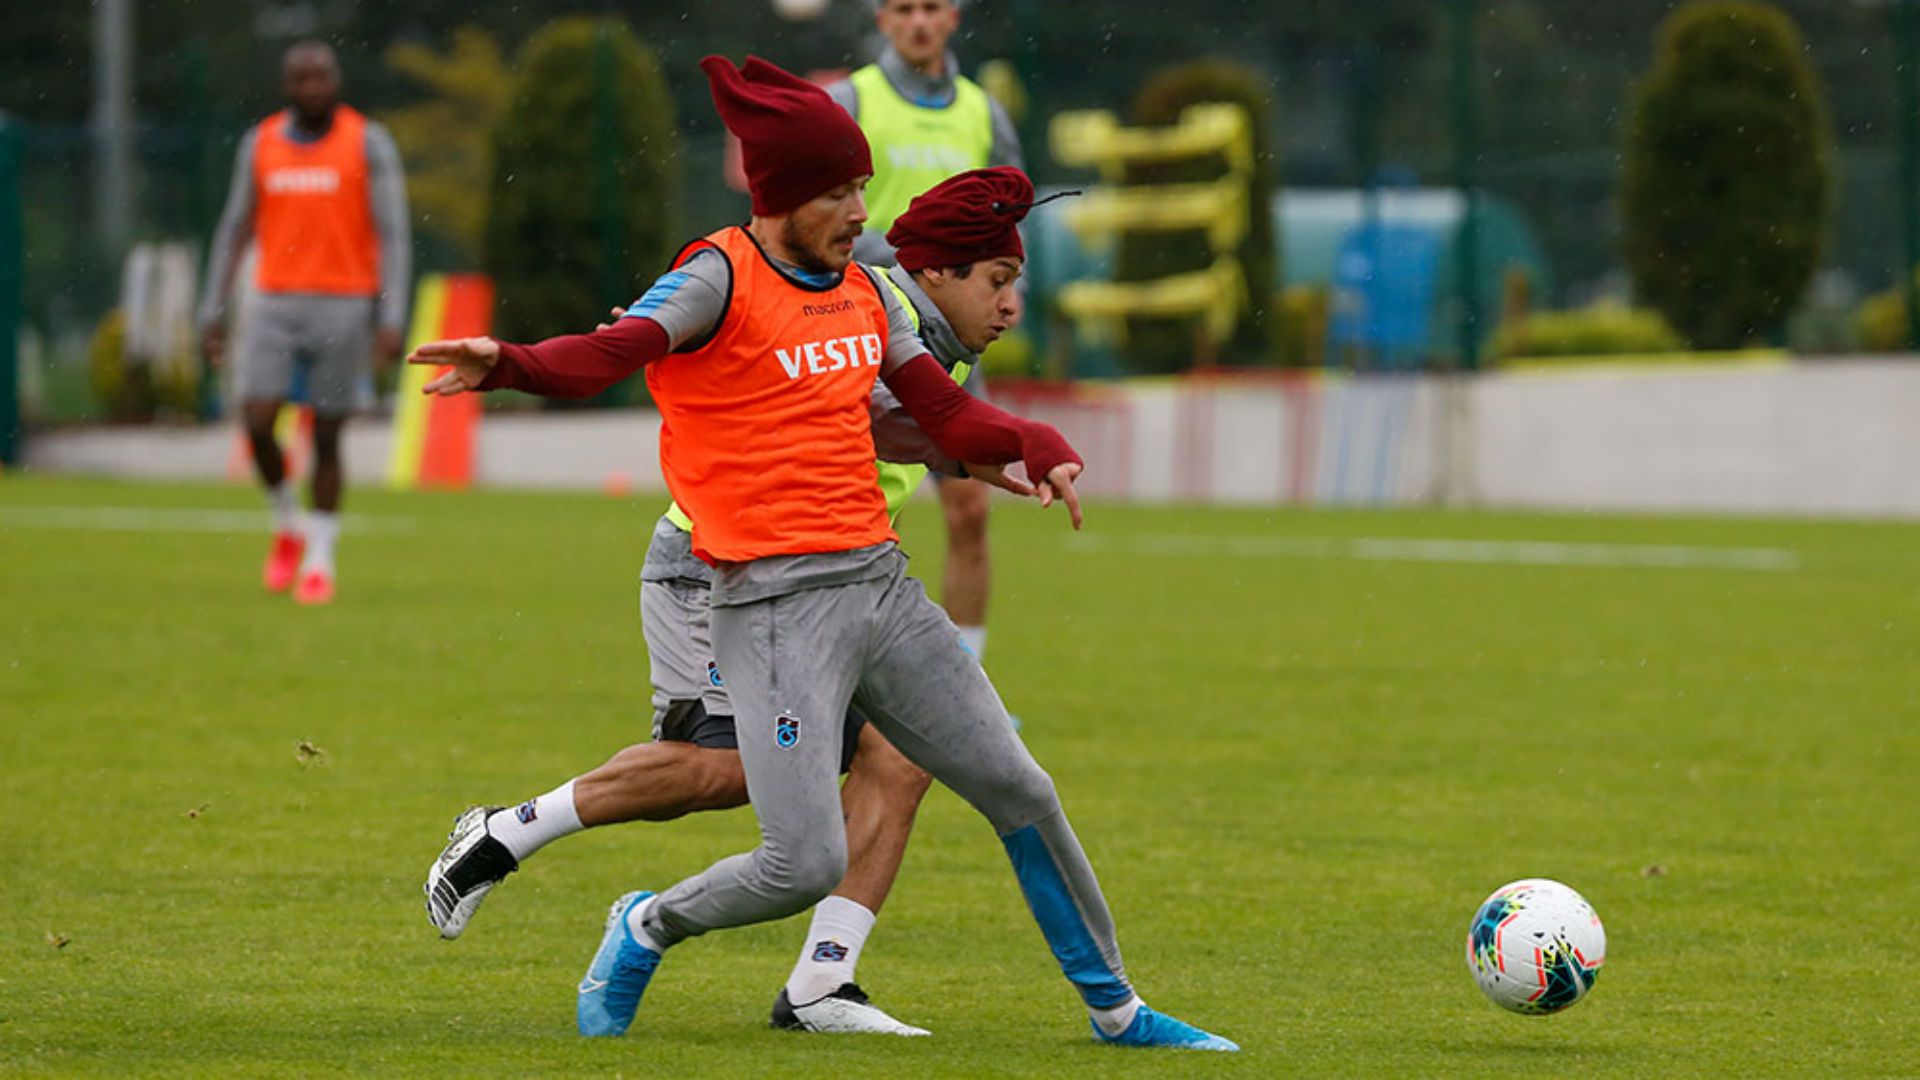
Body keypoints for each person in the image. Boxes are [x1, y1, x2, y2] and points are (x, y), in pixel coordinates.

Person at [408, 56, 1234, 1053]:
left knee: (1019, 787)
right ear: (784, 195)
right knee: (796, 859)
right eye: (841, 190)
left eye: (859, 186)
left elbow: (939, 409)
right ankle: (643, 925)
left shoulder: (867, 295)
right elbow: (620, 348)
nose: (858, 207)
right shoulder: (717, 275)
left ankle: (1116, 1010)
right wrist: (517, 364)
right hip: (763, 604)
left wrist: (1033, 444)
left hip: (878, 588)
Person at [423, 169, 1030, 1037]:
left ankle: (824, 983)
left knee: (900, 758)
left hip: (830, 585)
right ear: (934, 275)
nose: (1011, 305)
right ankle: (506, 831)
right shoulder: (861, 308)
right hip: (716, 570)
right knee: (731, 774)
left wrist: (999, 449)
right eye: (998, 281)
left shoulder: (932, 342)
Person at [827, 0, 1023, 669]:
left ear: (955, 17)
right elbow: (814, 211)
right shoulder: (851, 100)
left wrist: (1002, 287)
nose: (918, 22)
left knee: (971, 511)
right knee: (879, 515)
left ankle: (968, 681)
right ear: (882, 19)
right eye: (904, 8)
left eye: (931, 7)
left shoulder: (983, 112)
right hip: (870, 332)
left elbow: (1010, 218)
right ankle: (864, 675)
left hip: (957, 344)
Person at [198, 40, 411, 605]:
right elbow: (235, 227)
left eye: (321, 77)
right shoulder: (261, 142)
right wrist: (213, 309)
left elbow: (392, 233)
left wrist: (392, 314)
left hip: (344, 302)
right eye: (302, 79)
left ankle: (320, 559)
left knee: (327, 433)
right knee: (258, 420)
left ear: (336, 82)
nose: (313, 87)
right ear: (287, 85)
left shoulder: (367, 142)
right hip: (271, 299)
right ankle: (287, 522)